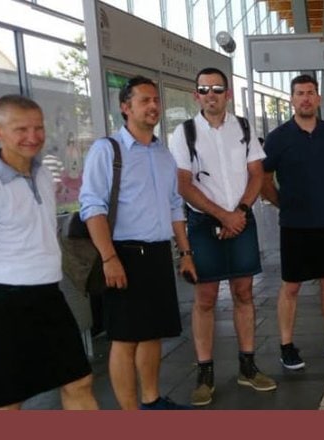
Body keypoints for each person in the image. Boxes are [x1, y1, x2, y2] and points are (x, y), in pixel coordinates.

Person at [0, 94, 98, 410]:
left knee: (79, 380)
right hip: (4, 305)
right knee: (8, 401)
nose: (33, 137)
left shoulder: (42, 173)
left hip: (49, 297)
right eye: (21, 129)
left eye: (38, 128)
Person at [79, 76, 195, 410]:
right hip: (123, 255)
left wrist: (185, 252)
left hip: (157, 254)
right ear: (125, 107)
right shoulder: (107, 150)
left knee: (152, 333)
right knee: (125, 339)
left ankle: (151, 399)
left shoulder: (162, 152)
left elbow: (175, 205)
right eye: (145, 100)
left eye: (155, 100)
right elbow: (92, 207)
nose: (153, 106)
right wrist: (108, 257)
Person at [170, 67, 276, 406]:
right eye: (204, 90)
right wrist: (223, 216)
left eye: (217, 89)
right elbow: (183, 183)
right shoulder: (184, 133)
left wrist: (241, 212)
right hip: (204, 222)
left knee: (244, 292)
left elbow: (256, 173)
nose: (210, 95)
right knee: (206, 297)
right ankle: (205, 372)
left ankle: (248, 365)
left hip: (241, 217)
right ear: (196, 95)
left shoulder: (244, 127)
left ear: (228, 94)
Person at [261, 74, 324, 370]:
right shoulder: (278, 138)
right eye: (299, 93)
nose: (305, 98)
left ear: (318, 98)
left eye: (310, 93)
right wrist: (283, 203)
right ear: (292, 99)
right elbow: (264, 180)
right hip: (294, 225)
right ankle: (287, 346)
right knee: (291, 286)